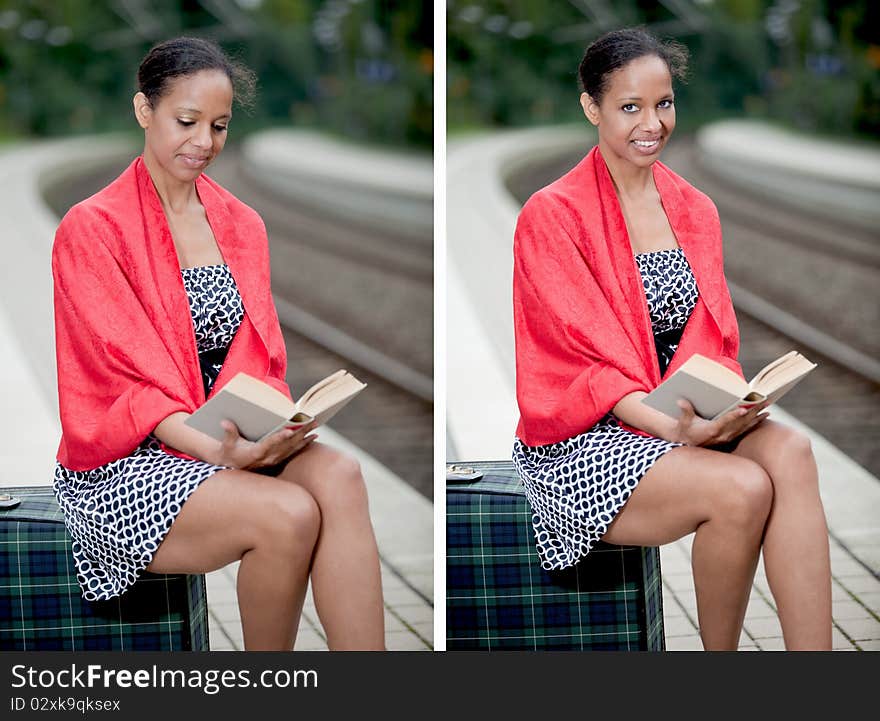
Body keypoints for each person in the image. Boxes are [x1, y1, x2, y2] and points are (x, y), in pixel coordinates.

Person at [51, 37, 385, 651]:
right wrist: (220, 452)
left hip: (228, 438)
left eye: (219, 126)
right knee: (287, 514)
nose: (203, 142)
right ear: (143, 111)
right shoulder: (92, 229)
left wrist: (273, 430)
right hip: (127, 463)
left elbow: (257, 360)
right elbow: (124, 386)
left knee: (340, 473)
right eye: (186, 121)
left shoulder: (241, 223)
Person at [511, 27, 831, 651]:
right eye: (629, 107)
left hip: (680, 417)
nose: (651, 123)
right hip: (584, 443)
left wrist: (725, 408)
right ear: (591, 108)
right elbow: (580, 366)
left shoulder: (695, 210)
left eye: (664, 104)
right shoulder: (552, 215)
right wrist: (674, 429)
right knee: (741, 489)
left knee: (790, 453)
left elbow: (713, 339)